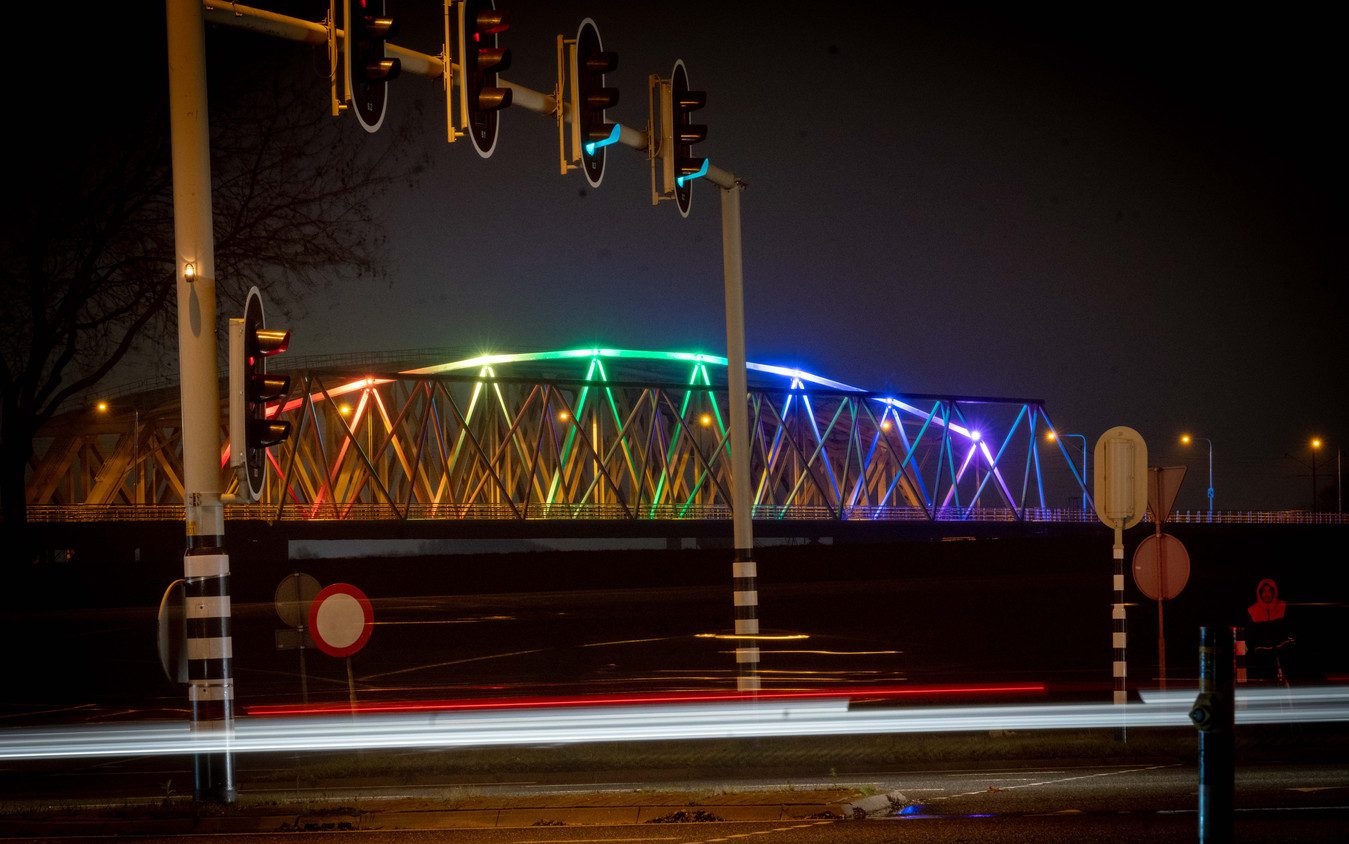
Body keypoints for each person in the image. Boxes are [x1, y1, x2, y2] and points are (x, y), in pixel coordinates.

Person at [1245, 578, 1293, 685]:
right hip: (1260, 656)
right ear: (1260, 593)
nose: (1267, 594)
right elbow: (1249, 636)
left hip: (1282, 654)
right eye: (1264, 591)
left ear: (1274, 592)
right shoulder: (1252, 610)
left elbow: (1289, 630)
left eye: (1269, 591)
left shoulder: (1283, 607)